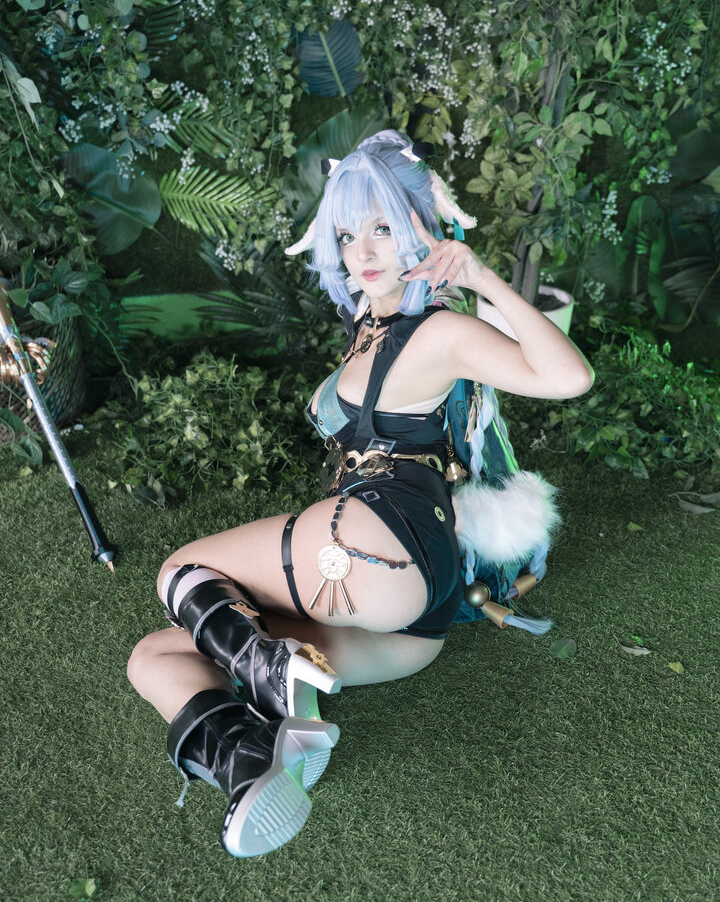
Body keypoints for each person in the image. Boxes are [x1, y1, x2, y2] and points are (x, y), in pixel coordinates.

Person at [126, 130, 593, 860]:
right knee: (154, 658)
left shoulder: (441, 330)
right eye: (347, 234)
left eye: (382, 228)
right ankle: (250, 763)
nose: (362, 251)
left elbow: (570, 378)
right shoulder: (372, 324)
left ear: (423, 232)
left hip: (377, 533)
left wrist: (483, 279)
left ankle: (271, 673)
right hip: (410, 628)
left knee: (180, 571)